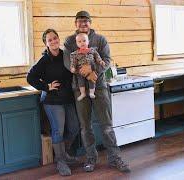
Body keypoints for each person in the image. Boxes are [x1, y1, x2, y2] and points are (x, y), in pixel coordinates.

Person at [63, 11, 131, 173]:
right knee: (85, 127)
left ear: (90, 23)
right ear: (75, 24)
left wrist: (95, 72)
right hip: (79, 89)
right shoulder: (69, 41)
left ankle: (115, 158)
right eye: (80, 21)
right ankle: (91, 158)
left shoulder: (100, 39)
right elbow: (68, 62)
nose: (83, 24)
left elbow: (107, 60)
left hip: (99, 87)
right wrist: (85, 72)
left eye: (86, 21)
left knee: (106, 125)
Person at [27, 29, 80, 176]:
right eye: (49, 40)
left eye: (55, 38)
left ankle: (62, 154)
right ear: (46, 43)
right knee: (58, 131)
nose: (53, 41)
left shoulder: (65, 55)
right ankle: (61, 161)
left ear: (58, 39)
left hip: (68, 98)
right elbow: (30, 77)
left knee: (75, 127)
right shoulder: (44, 60)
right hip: (52, 100)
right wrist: (46, 87)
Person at [70, 33, 105, 101]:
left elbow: (97, 57)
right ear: (77, 43)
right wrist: (73, 68)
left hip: (91, 69)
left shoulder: (92, 50)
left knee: (92, 80)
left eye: (84, 40)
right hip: (81, 70)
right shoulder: (75, 54)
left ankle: (91, 92)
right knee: (80, 81)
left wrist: (100, 61)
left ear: (88, 41)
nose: (82, 43)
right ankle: (83, 93)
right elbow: (73, 62)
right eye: (79, 42)